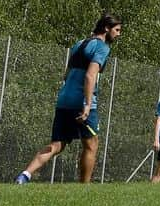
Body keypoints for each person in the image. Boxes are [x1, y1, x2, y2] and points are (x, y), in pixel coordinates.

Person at [15, 14, 123, 184]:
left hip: (64, 99)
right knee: (91, 144)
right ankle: (83, 188)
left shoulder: (79, 44)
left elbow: (66, 74)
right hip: (82, 102)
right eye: (116, 30)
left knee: (57, 144)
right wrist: (87, 105)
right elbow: (90, 76)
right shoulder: (102, 47)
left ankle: (25, 175)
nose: (118, 34)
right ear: (106, 29)